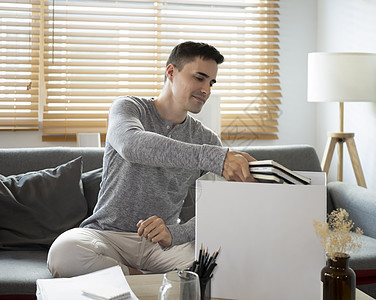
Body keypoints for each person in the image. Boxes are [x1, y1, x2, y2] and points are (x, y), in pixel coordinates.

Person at [47, 41, 256, 277]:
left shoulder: (206, 139)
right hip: (107, 235)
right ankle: (147, 279)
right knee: (63, 254)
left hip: (161, 245)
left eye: (211, 82)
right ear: (171, 72)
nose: (206, 89)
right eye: (199, 78)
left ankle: (129, 280)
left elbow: (219, 207)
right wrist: (215, 157)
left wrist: (175, 234)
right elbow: (132, 144)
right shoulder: (129, 107)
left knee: (223, 265)